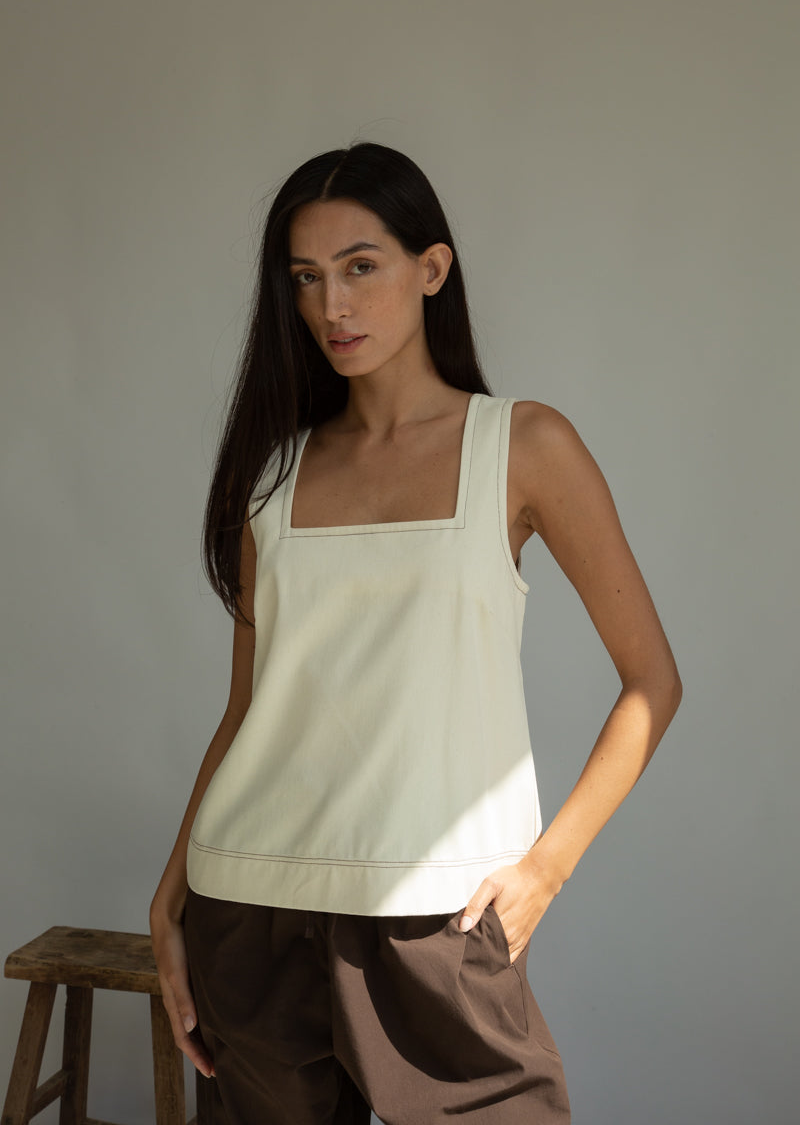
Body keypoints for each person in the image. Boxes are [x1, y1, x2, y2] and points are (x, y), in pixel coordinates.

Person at [150, 141, 682, 1124]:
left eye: (361, 266)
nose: (332, 306)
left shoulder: (522, 446)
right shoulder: (273, 472)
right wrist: (170, 891)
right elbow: (248, 707)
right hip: (250, 907)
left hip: (439, 914)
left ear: (431, 269)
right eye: (306, 278)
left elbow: (653, 683)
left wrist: (544, 871)